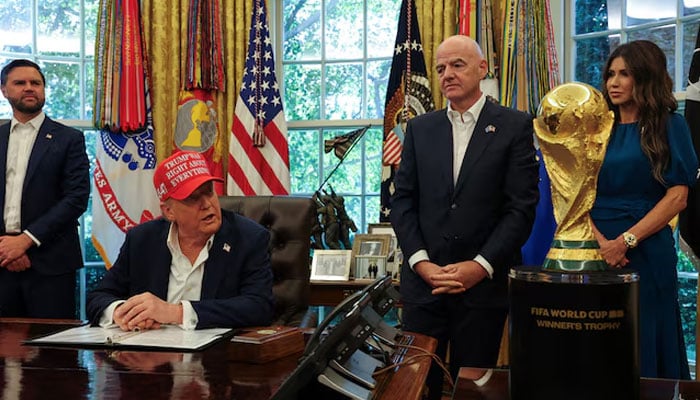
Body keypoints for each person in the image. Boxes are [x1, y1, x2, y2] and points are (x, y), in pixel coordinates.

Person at [390, 35, 539, 399]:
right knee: (415, 387)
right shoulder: (420, 129)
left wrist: (480, 265)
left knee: (472, 390)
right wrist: (421, 263)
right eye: (441, 68)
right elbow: (403, 203)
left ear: (482, 69)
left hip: (482, 288)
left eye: (457, 65)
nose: (447, 74)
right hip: (425, 285)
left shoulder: (515, 125)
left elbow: (520, 208)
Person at [591, 40, 699, 379]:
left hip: (646, 252)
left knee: (646, 338)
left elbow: (677, 197)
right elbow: (575, 194)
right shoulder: (595, 129)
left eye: (625, 74)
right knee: (600, 345)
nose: (614, 82)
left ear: (646, 77)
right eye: (610, 74)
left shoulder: (670, 125)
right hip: (596, 251)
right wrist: (600, 243)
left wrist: (624, 241)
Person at [87, 151, 274, 330]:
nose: (207, 204)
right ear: (169, 211)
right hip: (148, 355)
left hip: (216, 356)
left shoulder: (249, 238)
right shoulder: (142, 240)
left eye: (209, 192)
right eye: (192, 199)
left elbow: (259, 306)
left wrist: (176, 313)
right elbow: (98, 297)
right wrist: (122, 312)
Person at [0, 59, 90, 318]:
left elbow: (76, 198)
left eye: (36, 83)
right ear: (4, 90)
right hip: (2, 260)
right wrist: (9, 248)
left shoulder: (69, 138)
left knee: (53, 352)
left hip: (51, 264)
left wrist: (25, 241)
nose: (29, 88)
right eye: (20, 83)